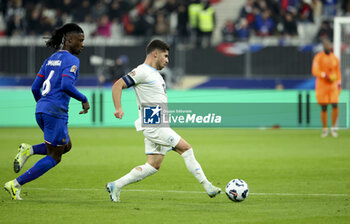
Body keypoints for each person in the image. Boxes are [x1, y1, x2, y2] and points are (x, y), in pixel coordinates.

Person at [106, 39, 221, 202]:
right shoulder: (142, 71)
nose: (167, 60)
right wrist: (118, 108)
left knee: (153, 165)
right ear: (155, 54)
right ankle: (208, 186)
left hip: (158, 122)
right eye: (165, 56)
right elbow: (117, 85)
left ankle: (116, 185)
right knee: (186, 149)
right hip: (153, 124)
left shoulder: (156, 75)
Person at [4, 23, 90, 200]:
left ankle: (29, 150)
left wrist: (43, 104)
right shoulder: (72, 60)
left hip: (42, 110)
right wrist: (84, 99)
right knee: (55, 156)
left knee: (66, 146)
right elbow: (66, 85)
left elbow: (35, 87)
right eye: (80, 40)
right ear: (69, 40)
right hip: (55, 112)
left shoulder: (50, 60)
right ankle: (16, 184)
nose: (83, 44)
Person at [312, 39, 341, 138]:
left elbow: (338, 72)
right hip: (322, 84)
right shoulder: (318, 57)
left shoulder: (335, 58)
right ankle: (325, 128)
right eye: (325, 45)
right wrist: (325, 75)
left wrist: (339, 83)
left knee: (335, 104)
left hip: (332, 85)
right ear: (323, 47)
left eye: (328, 45)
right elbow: (315, 70)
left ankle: (333, 128)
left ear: (330, 46)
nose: (327, 47)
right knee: (324, 107)